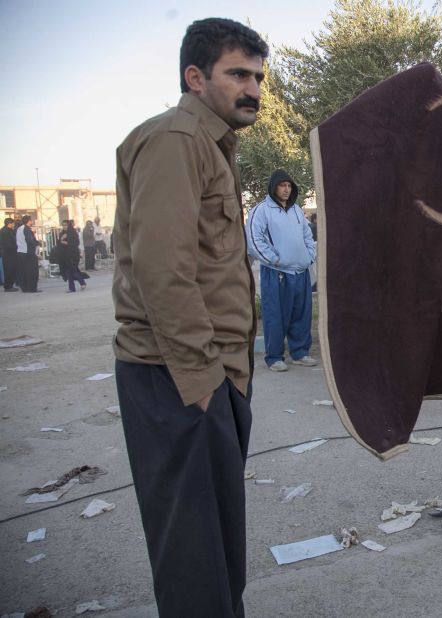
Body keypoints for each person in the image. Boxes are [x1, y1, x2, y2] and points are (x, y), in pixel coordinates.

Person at [112, 18, 267, 617]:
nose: (252, 88)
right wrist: (203, 387)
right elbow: (163, 272)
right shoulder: (176, 140)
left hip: (209, 374)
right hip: (177, 376)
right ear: (195, 77)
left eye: (257, 76)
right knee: (193, 558)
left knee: (217, 546)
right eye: (237, 74)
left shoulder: (211, 145)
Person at [246, 170, 318, 371]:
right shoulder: (261, 211)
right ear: (274, 187)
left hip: (300, 271)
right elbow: (254, 239)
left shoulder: (296, 210)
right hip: (276, 272)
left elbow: (306, 234)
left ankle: (300, 352)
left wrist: (309, 256)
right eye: (282, 185)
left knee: (301, 313)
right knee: (275, 314)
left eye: (289, 186)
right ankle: (275, 356)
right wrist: (275, 260)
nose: (286, 189)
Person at [58, 220, 87, 292]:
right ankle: (76, 286)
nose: (64, 227)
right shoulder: (62, 233)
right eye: (63, 225)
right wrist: (61, 239)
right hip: (65, 256)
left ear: (69, 225)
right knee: (69, 272)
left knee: (72, 270)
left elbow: (76, 243)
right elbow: (58, 244)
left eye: (66, 225)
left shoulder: (73, 233)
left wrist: (66, 242)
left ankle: (79, 284)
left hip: (73, 255)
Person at [16, 215, 40, 293]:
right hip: (28, 253)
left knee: (23, 271)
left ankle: (25, 288)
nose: (32, 222)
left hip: (20, 252)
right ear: (29, 221)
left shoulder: (19, 228)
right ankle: (32, 288)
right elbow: (30, 241)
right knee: (32, 271)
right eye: (31, 220)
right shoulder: (26, 229)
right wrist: (37, 243)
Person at [1, 217, 18, 291]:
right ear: (9, 224)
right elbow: (7, 243)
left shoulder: (9, 230)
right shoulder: (4, 231)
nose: (13, 225)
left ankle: (10, 285)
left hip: (11, 253)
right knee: (9, 270)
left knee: (11, 269)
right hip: (8, 254)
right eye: (12, 223)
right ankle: (8, 286)